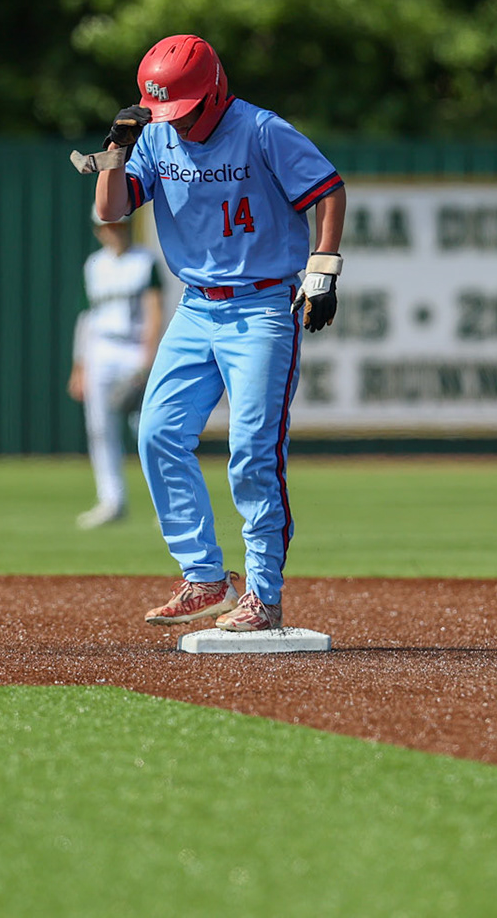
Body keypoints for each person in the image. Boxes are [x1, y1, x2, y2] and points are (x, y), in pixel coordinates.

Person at [91, 33, 346, 632]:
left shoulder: (261, 131)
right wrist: (114, 152)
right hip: (195, 307)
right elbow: (110, 211)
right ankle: (205, 577)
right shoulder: (155, 135)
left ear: (216, 89)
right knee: (157, 434)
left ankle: (263, 594)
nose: (175, 124)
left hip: (260, 308)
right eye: (165, 113)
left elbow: (328, 191)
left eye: (183, 111)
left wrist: (323, 271)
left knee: (253, 452)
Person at [67, 211, 165, 528]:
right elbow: (87, 317)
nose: (114, 232)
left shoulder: (144, 261)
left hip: (134, 348)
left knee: (146, 429)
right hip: (101, 349)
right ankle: (111, 500)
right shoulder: (95, 265)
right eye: (108, 227)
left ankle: (167, 505)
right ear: (99, 231)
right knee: (100, 428)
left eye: (119, 226)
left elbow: (154, 311)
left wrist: (148, 360)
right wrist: (79, 365)